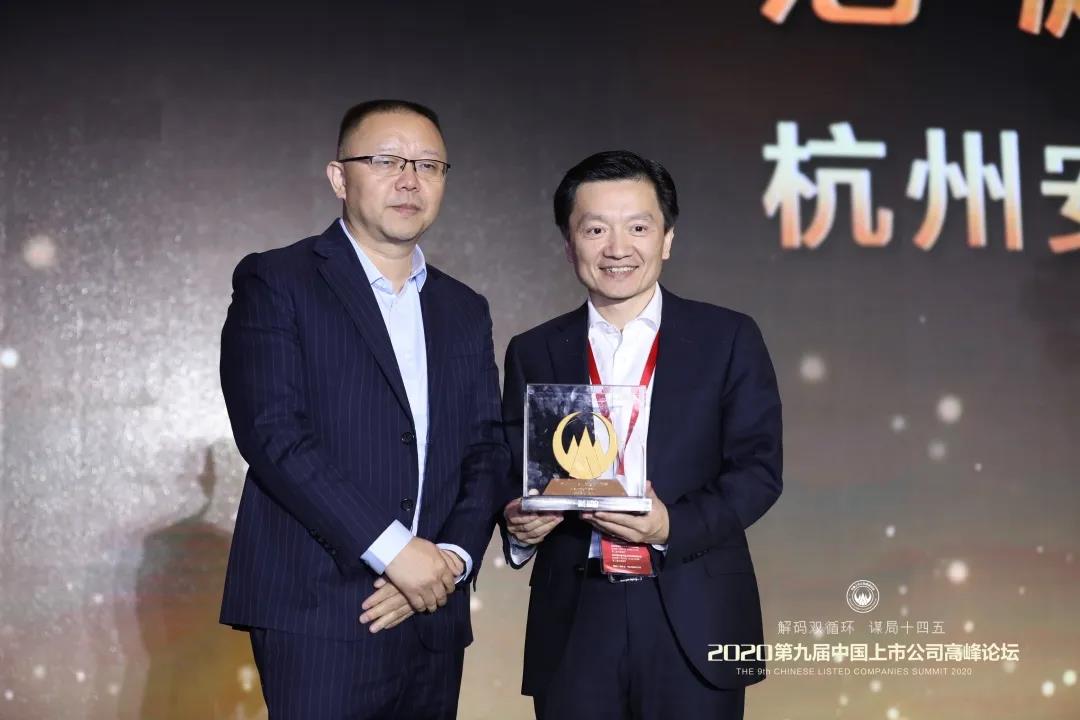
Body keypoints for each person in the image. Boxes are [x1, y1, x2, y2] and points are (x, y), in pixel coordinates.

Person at [219, 99, 506, 719]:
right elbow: (273, 434)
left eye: (428, 165)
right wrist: (395, 552)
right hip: (321, 605)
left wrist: (449, 562)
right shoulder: (278, 281)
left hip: (432, 608)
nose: (410, 179)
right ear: (339, 177)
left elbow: (487, 448)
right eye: (386, 160)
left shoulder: (464, 308)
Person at [500, 150, 783, 720]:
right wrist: (518, 524)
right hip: (577, 615)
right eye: (595, 229)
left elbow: (758, 471)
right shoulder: (533, 350)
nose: (617, 248)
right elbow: (512, 468)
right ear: (569, 244)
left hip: (692, 603)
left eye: (638, 227)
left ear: (667, 239)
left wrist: (671, 525)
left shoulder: (727, 337)